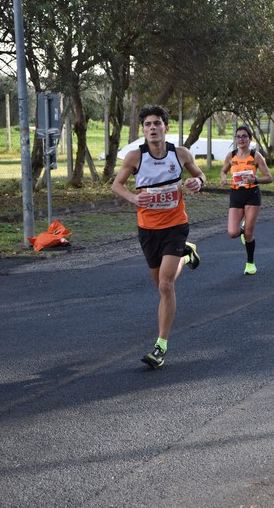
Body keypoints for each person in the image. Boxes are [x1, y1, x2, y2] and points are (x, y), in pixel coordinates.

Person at [112, 106, 206, 369]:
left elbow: (200, 175)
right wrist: (133, 197)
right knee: (161, 285)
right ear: (143, 130)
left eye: (157, 124)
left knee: (166, 286)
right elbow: (116, 185)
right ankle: (186, 256)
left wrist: (198, 182)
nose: (152, 128)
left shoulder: (180, 154)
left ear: (166, 127)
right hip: (148, 229)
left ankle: (160, 346)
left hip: (175, 225)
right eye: (147, 125)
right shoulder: (134, 157)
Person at [220, 124, 273, 275]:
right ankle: (242, 229)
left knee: (249, 233)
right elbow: (223, 170)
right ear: (235, 139)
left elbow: (269, 177)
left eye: (244, 136)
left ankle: (250, 263)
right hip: (236, 195)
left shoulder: (256, 156)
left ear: (250, 139)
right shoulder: (231, 156)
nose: (241, 139)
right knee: (232, 232)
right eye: (238, 136)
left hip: (252, 195)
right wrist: (223, 178)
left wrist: (255, 180)